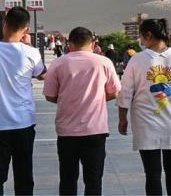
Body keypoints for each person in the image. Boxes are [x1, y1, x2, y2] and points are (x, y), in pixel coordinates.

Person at [117, 19, 171, 196]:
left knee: (152, 173)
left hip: (145, 125)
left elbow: (125, 93)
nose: (141, 40)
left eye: (141, 36)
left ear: (148, 35)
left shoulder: (136, 60)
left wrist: (122, 119)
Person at [43, 27, 121, 196]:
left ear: (69, 43)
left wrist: (66, 99)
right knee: (93, 181)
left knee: (68, 180)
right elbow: (114, 92)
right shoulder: (104, 62)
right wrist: (98, 98)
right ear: (92, 43)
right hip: (95, 131)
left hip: (67, 132)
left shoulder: (59, 63)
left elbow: (49, 96)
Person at [0, 7, 46, 195]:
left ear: (4, 24)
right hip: (23, 122)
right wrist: (29, 46)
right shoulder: (31, 53)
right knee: (24, 175)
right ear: (26, 30)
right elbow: (42, 75)